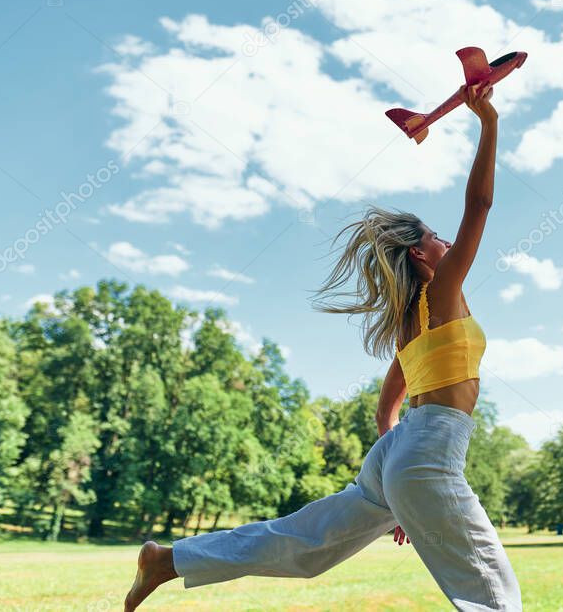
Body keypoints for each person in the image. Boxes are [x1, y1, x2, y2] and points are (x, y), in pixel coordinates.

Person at [124, 82, 522, 611]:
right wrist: (489, 123)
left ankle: (170, 560)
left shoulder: (410, 323)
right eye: (437, 239)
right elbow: (481, 204)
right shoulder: (443, 291)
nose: (449, 243)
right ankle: (169, 562)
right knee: (494, 598)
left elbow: (387, 409)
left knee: (306, 545)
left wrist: (401, 482)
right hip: (427, 452)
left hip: (399, 453)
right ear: (420, 255)